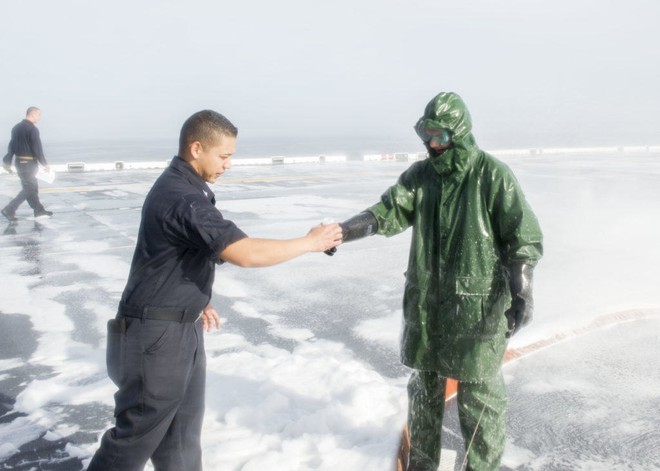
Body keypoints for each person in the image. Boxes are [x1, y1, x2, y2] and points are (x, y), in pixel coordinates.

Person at [86, 110, 342, 471]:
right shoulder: (182, 198)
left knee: (180, 440)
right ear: (196, 148)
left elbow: (179, 256)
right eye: (224, 156)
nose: (228, 165)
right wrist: (310, 242)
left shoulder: (189, 190)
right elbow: (246, 253)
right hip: (154, 339)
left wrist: (197, 300)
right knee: (131, 443)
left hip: (180, 328)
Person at [332, 92, 543, 471]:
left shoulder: (492, 176)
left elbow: (522, 235)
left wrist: (522, 286)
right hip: (427, 308)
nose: (432, 144)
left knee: (480, 396)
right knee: (423, 391)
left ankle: (482, 467)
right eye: (427, 135)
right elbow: (388, 211)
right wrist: (345, 231)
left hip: (476, 309)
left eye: (440, 136)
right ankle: (423, 464)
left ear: (459, 133)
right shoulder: (420, 177)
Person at [2, 106, 53, 221]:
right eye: (39, 115)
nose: (39, 118)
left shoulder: (16, 128)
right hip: (29, 164)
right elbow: (37, 149)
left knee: (31, 187)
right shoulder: (33, 129)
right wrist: (45, 164)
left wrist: (7, 162)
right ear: (32, 114)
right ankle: (10, 209)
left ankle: (39, 210)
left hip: (19, 163)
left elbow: (11, 147)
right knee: (29, 188)